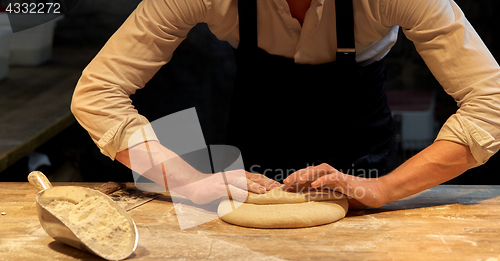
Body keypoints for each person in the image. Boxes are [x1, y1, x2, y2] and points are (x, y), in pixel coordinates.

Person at [71, 0, 500, 209]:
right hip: (253, 178)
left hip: (363, 171)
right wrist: (187, 182)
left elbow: (492, 104)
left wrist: (383, 188)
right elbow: (97, 94)